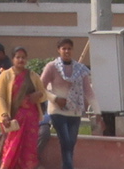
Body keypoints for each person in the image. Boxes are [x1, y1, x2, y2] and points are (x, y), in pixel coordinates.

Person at [41, 38, 96, 169]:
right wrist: (54, 98)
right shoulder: (52, 67)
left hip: (75, 111)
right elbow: (40, 87)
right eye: (63, 48)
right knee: (65, 141)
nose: (66, 51)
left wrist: (97, 111)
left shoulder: (80, 69)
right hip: (57, 110)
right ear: (58, 50)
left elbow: (88, 91)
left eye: (69, 48)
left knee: (71, 142)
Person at [0, 46, 48, 169]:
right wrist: (4, 115)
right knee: (12, 146)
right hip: (13, 118)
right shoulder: (5, 76)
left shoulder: (33, 76)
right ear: (13, 59)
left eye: (23, 57)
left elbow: (43, 94)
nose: (21, 60)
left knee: (29, 148)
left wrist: (38, 95)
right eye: (18, 57)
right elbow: (0, 97)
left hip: (31, 118)